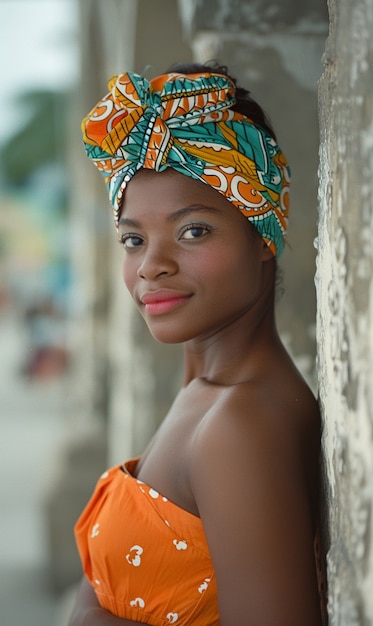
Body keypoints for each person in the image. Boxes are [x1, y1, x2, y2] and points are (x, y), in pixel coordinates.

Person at [69, 62, 327, 626]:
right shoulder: (208, 389)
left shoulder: (241, 423)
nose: (151, 267)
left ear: (264, 236)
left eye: (193, 231)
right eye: (133, 239)